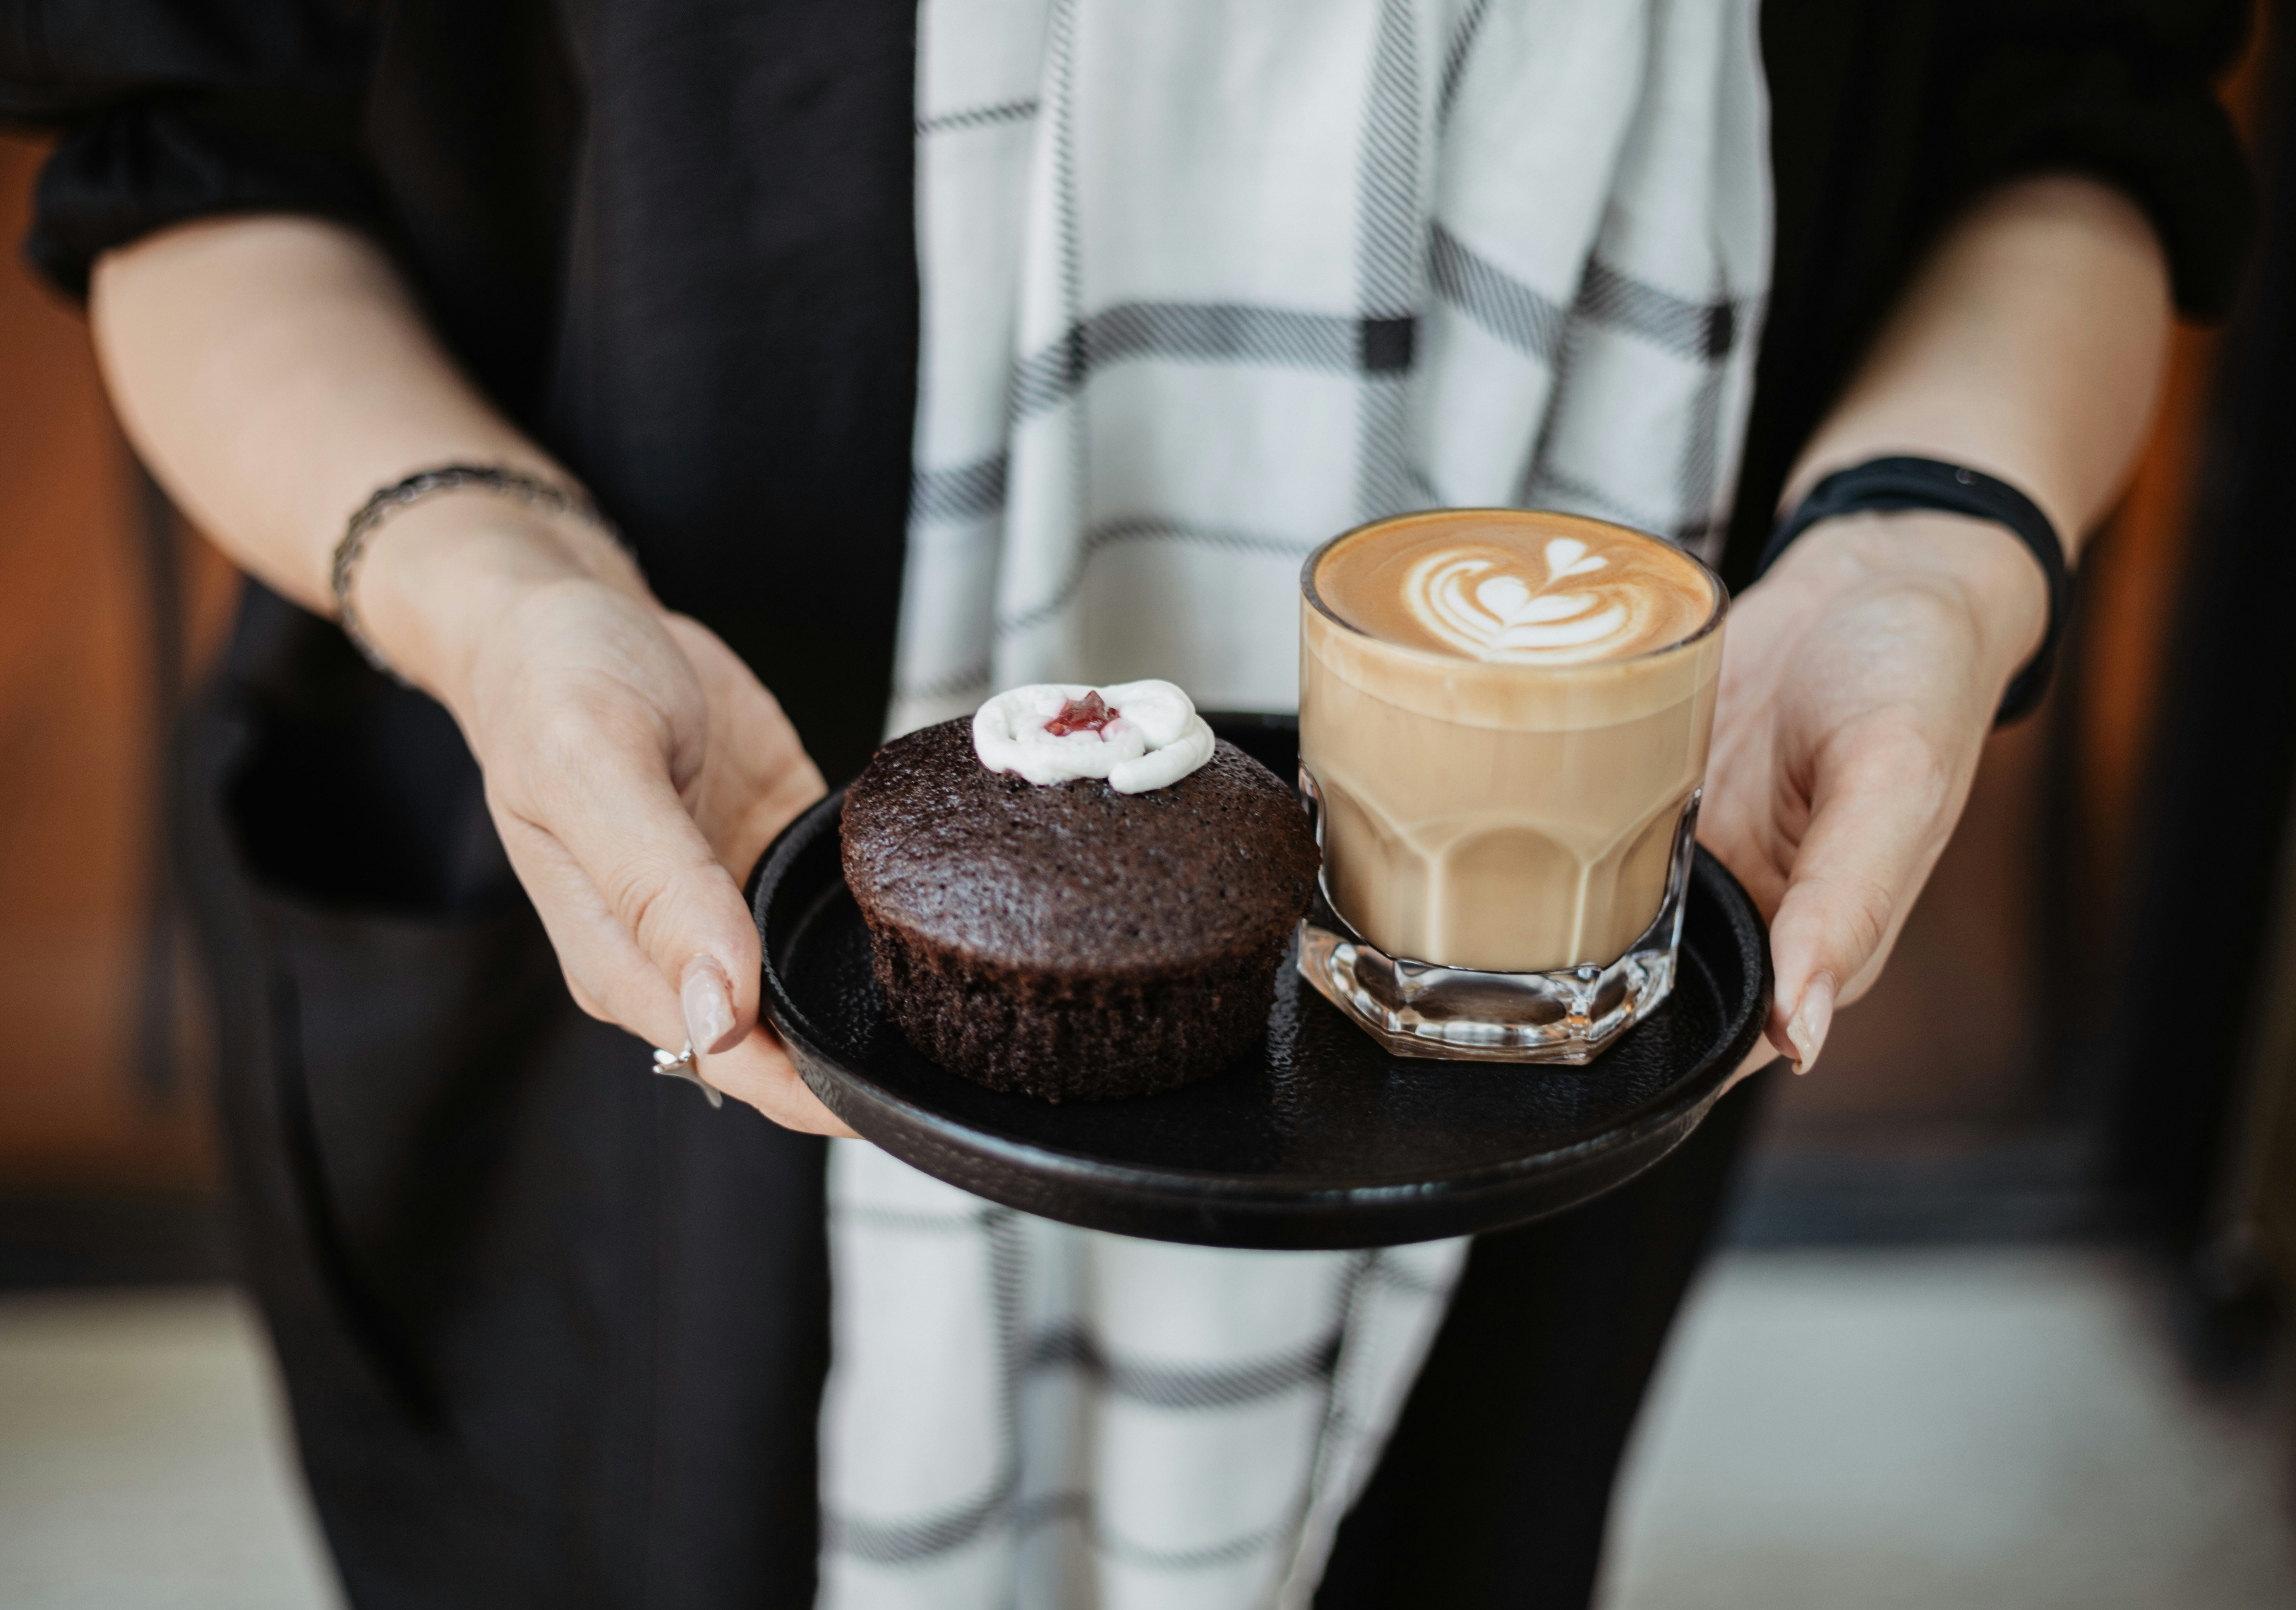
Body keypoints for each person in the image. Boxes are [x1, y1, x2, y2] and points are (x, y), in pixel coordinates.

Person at [0, 0, 2251, 1604]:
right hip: (642, 913)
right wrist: (506, 602)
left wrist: (1928, 549)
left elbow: (2082, 110)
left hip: (1561, 952)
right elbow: (195, 159)